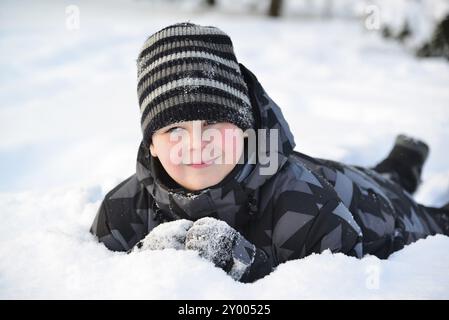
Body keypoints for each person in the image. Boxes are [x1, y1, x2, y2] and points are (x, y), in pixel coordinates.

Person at [90, 22, 449, 283]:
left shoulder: (308, 212)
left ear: (246, 130)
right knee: (383, 176)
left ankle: (400, 166)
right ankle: (400, 163)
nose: (197, 143)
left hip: (370, 209)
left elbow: (342, 287)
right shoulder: (120, 213)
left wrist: (255, 275)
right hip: (320, 175)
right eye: (174, 130)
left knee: (416, 208)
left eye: (213, 124)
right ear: (151, 143)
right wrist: (135, 276)